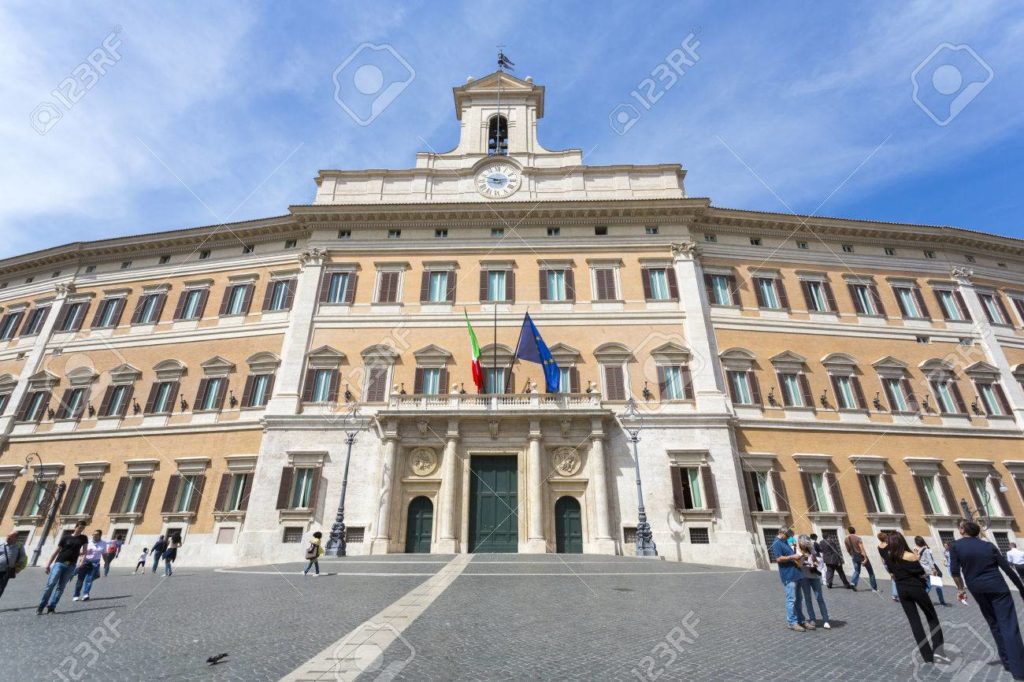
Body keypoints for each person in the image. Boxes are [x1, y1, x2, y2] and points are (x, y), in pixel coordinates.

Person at [949, 520, 1024, 678]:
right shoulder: (988, 546)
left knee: (994, 623)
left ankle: (1007, 662)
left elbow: (955, 572)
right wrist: (1021, 588)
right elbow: (1007, 569)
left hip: (977, 589)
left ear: (963, 530)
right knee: (1009, 625)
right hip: (998, 587)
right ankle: (1019, 669)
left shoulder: (955, 546)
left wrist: (960, 589)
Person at [889, 532, 947, 665]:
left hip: (902, 590)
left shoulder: (890, 558)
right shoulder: (910, 556)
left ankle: (927, 656)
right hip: (916, 588)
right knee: (931, 617)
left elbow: (892, 574)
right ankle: (938, 651)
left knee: (914, 622)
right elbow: (921, 573)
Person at [38, 521, 88, 615]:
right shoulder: (66, 537)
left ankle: (52, 607)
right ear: (75, 527)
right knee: (50, 584)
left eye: (82, 528)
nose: (81, 529)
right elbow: (57, 551)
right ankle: (41, 606)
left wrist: (80, 558)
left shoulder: (83, 538)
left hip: (71, 565)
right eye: (80, 527)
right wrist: (48, 564)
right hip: (59, 563)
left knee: (61, 587)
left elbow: (84, 551)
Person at [771, 528, 808, 631]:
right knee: (791, 599)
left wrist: (800, 556)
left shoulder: (785, 542)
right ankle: (792, 622)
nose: (788, 538)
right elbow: (778, 558)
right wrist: (793, 556)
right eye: (787, 536)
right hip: (788, 575)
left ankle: (801, 620)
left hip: (796, 573)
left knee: (799, 599)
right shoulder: (777, 543)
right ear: (781, 533)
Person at [797, 536, 831, 629]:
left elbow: (816, 560)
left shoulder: (811, 549)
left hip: (814, 575)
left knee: (819, 597)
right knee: (808, 599)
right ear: (800, 542)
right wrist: (802, 560)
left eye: (806, 544)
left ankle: (826, 619)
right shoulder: (797, 550)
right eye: (803, 544)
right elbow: (797, 564)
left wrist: (815, 563)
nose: (805, 546)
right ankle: (812, 619)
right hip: (804, 576)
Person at [73, 529, 108, 602]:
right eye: (93, 534)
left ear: (100, 535)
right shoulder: (87, 542)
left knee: (89, 580)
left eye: (96, 534)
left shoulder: (104, 543)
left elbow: (104, 554)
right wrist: (85, 552)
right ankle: (76, 595)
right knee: (80, 580)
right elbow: (80, 552)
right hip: (85, 562)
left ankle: (86, 594)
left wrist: (106, 562)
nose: (94, 536)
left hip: (94, 563)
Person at [914, 536, 948, 607]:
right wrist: (934, 569)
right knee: (934, 585)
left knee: (928, 585)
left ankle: (940, 600)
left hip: (923, 570)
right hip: (929, 570)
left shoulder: (917, 550)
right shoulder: (926, 550)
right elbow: (930, 560)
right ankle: (941, 601)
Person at [845, 526, 877, 591]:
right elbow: (862, 548)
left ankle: (853, 582)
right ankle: (874, 588)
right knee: (871, 572)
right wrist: (865, 557)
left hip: (854, 556)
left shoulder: (846, 539)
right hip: (861, 556)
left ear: (849, 531)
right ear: (854, 531)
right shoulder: (858, 538)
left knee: (857, 571)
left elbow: (848, 549)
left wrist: (851, 555)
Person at [0, 532, 28, 600]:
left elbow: (23, 557)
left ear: (15, 538)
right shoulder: (1, 545)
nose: (8, 537)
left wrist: (18, 565)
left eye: (10, 536)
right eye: (7, 536)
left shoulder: (19, 546)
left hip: (6, 571)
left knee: (1, 588)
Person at [877, 531, 899, 602]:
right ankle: (896, 594)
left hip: (886, 564)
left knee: (893, 578)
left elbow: (881, 557)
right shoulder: (889, 545)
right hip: (892, 563)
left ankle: (895, 594)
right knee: (896, 578)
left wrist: (884, 563)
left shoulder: (879, 546)